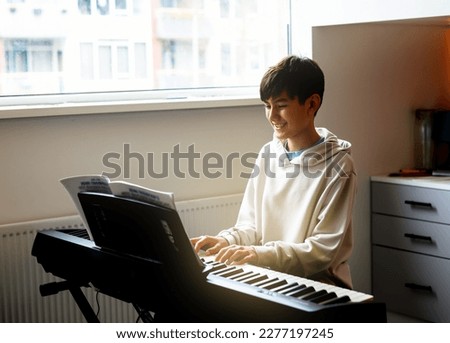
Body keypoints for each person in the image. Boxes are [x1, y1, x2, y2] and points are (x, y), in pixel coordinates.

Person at [191, 55, 356, 289]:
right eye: (267, 106)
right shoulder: (268, 153)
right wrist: (226, 240)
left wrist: (257, 254)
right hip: (271, 277)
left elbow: (321, 252)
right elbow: (251, 226)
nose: (272, 116)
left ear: (311, 104)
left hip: (318, 287)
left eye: (281, 106)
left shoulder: (339, 167)